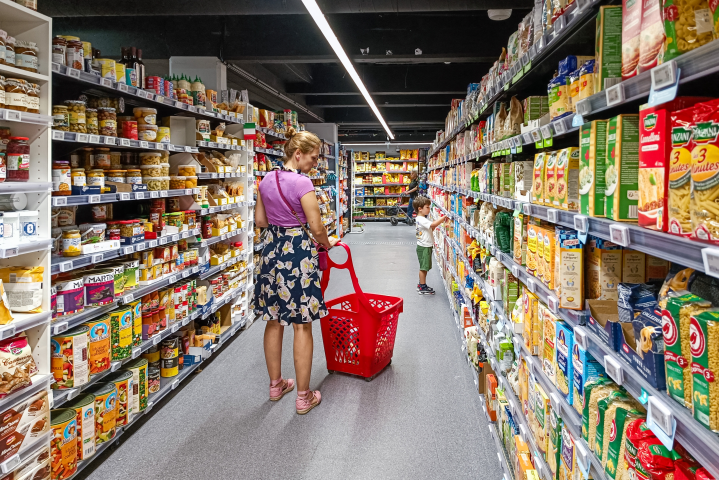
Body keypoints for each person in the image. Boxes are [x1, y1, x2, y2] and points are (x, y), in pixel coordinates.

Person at [255, 127, 339, 415]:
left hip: (271, 252)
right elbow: (316, 228)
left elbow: (260, 220)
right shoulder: (303, 184)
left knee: (274, 319)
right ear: (298, 154)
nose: (315, 164)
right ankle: (304, 397)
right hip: (298, 256)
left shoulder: (265, 179)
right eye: (313, 158)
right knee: (302, 323)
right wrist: (328, 245)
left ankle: (276, 385)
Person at [413, 196, 449, 295]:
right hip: (424, 247)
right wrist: (443, 217)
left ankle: (422, 284)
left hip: (425, 246)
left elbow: (430, 229)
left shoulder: (422, 219)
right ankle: (422, 286)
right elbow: (432, 225)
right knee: (424, 268)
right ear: (420, 209)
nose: (429, 209)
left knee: (425, 267)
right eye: (427, 207)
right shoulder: (421, 219)